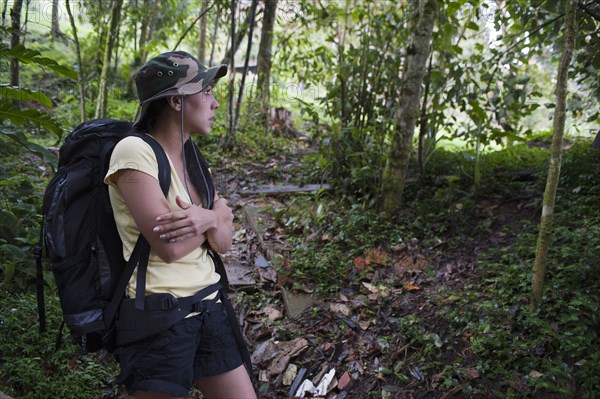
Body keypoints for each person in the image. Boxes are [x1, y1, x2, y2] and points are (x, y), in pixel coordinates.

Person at [104, 51, 256, 399]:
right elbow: (169, 246)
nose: (215, 103)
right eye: (205, 93)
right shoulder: (133, 151)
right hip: (161, 319)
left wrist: (208, 218)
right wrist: (215, 216)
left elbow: (224, 242)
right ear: (176, 100)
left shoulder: (194, 158)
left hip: (210, 308)